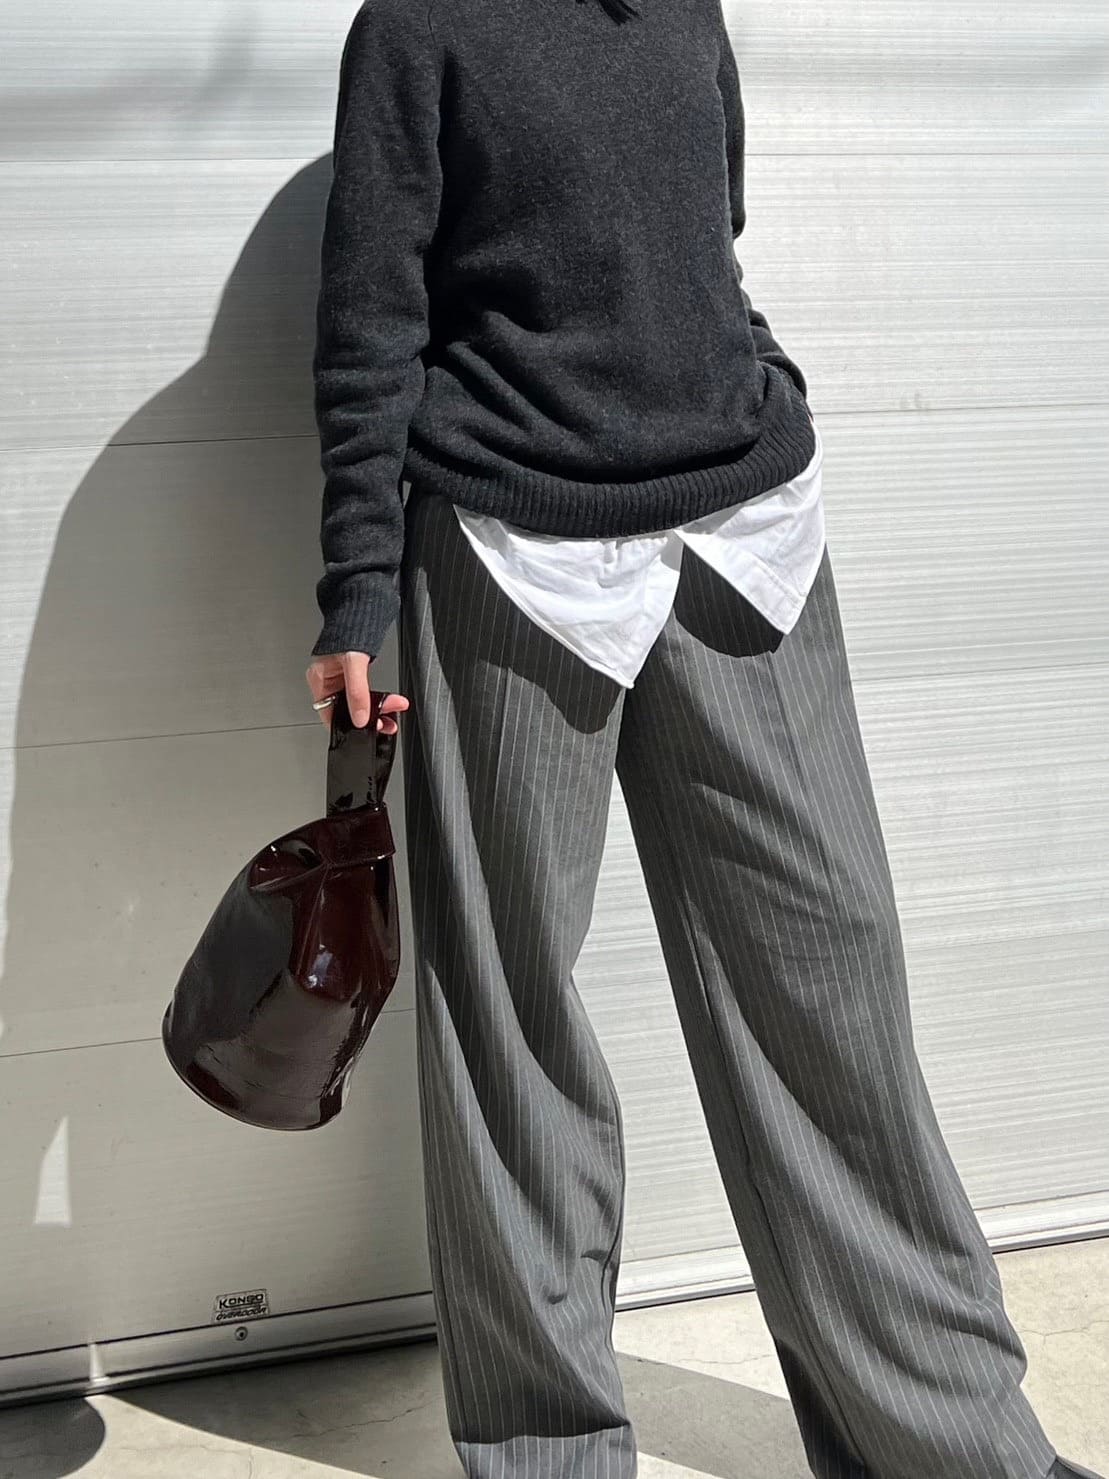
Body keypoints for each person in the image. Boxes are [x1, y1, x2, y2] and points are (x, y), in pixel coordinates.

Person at [303, 2, 1101, 1476]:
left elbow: (706, 236)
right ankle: (547, 1456)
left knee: (832, 970)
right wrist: (356, 583)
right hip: (512, 549)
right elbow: (369, 322)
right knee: (511, 1029)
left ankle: (950, 1447)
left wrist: (756, 379)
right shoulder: (419, 25)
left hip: (743, 534)